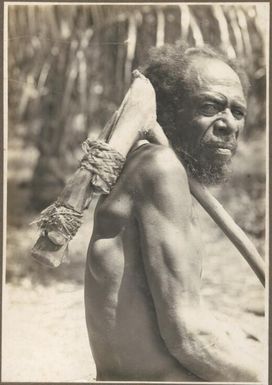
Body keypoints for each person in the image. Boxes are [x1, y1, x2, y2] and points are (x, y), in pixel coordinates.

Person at [84, 44, 263, 382]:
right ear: (168, 111)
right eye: (210, 107)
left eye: (237, 112)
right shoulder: (160, 168)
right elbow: (188, 338)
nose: (228, 124)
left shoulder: (147, 166)